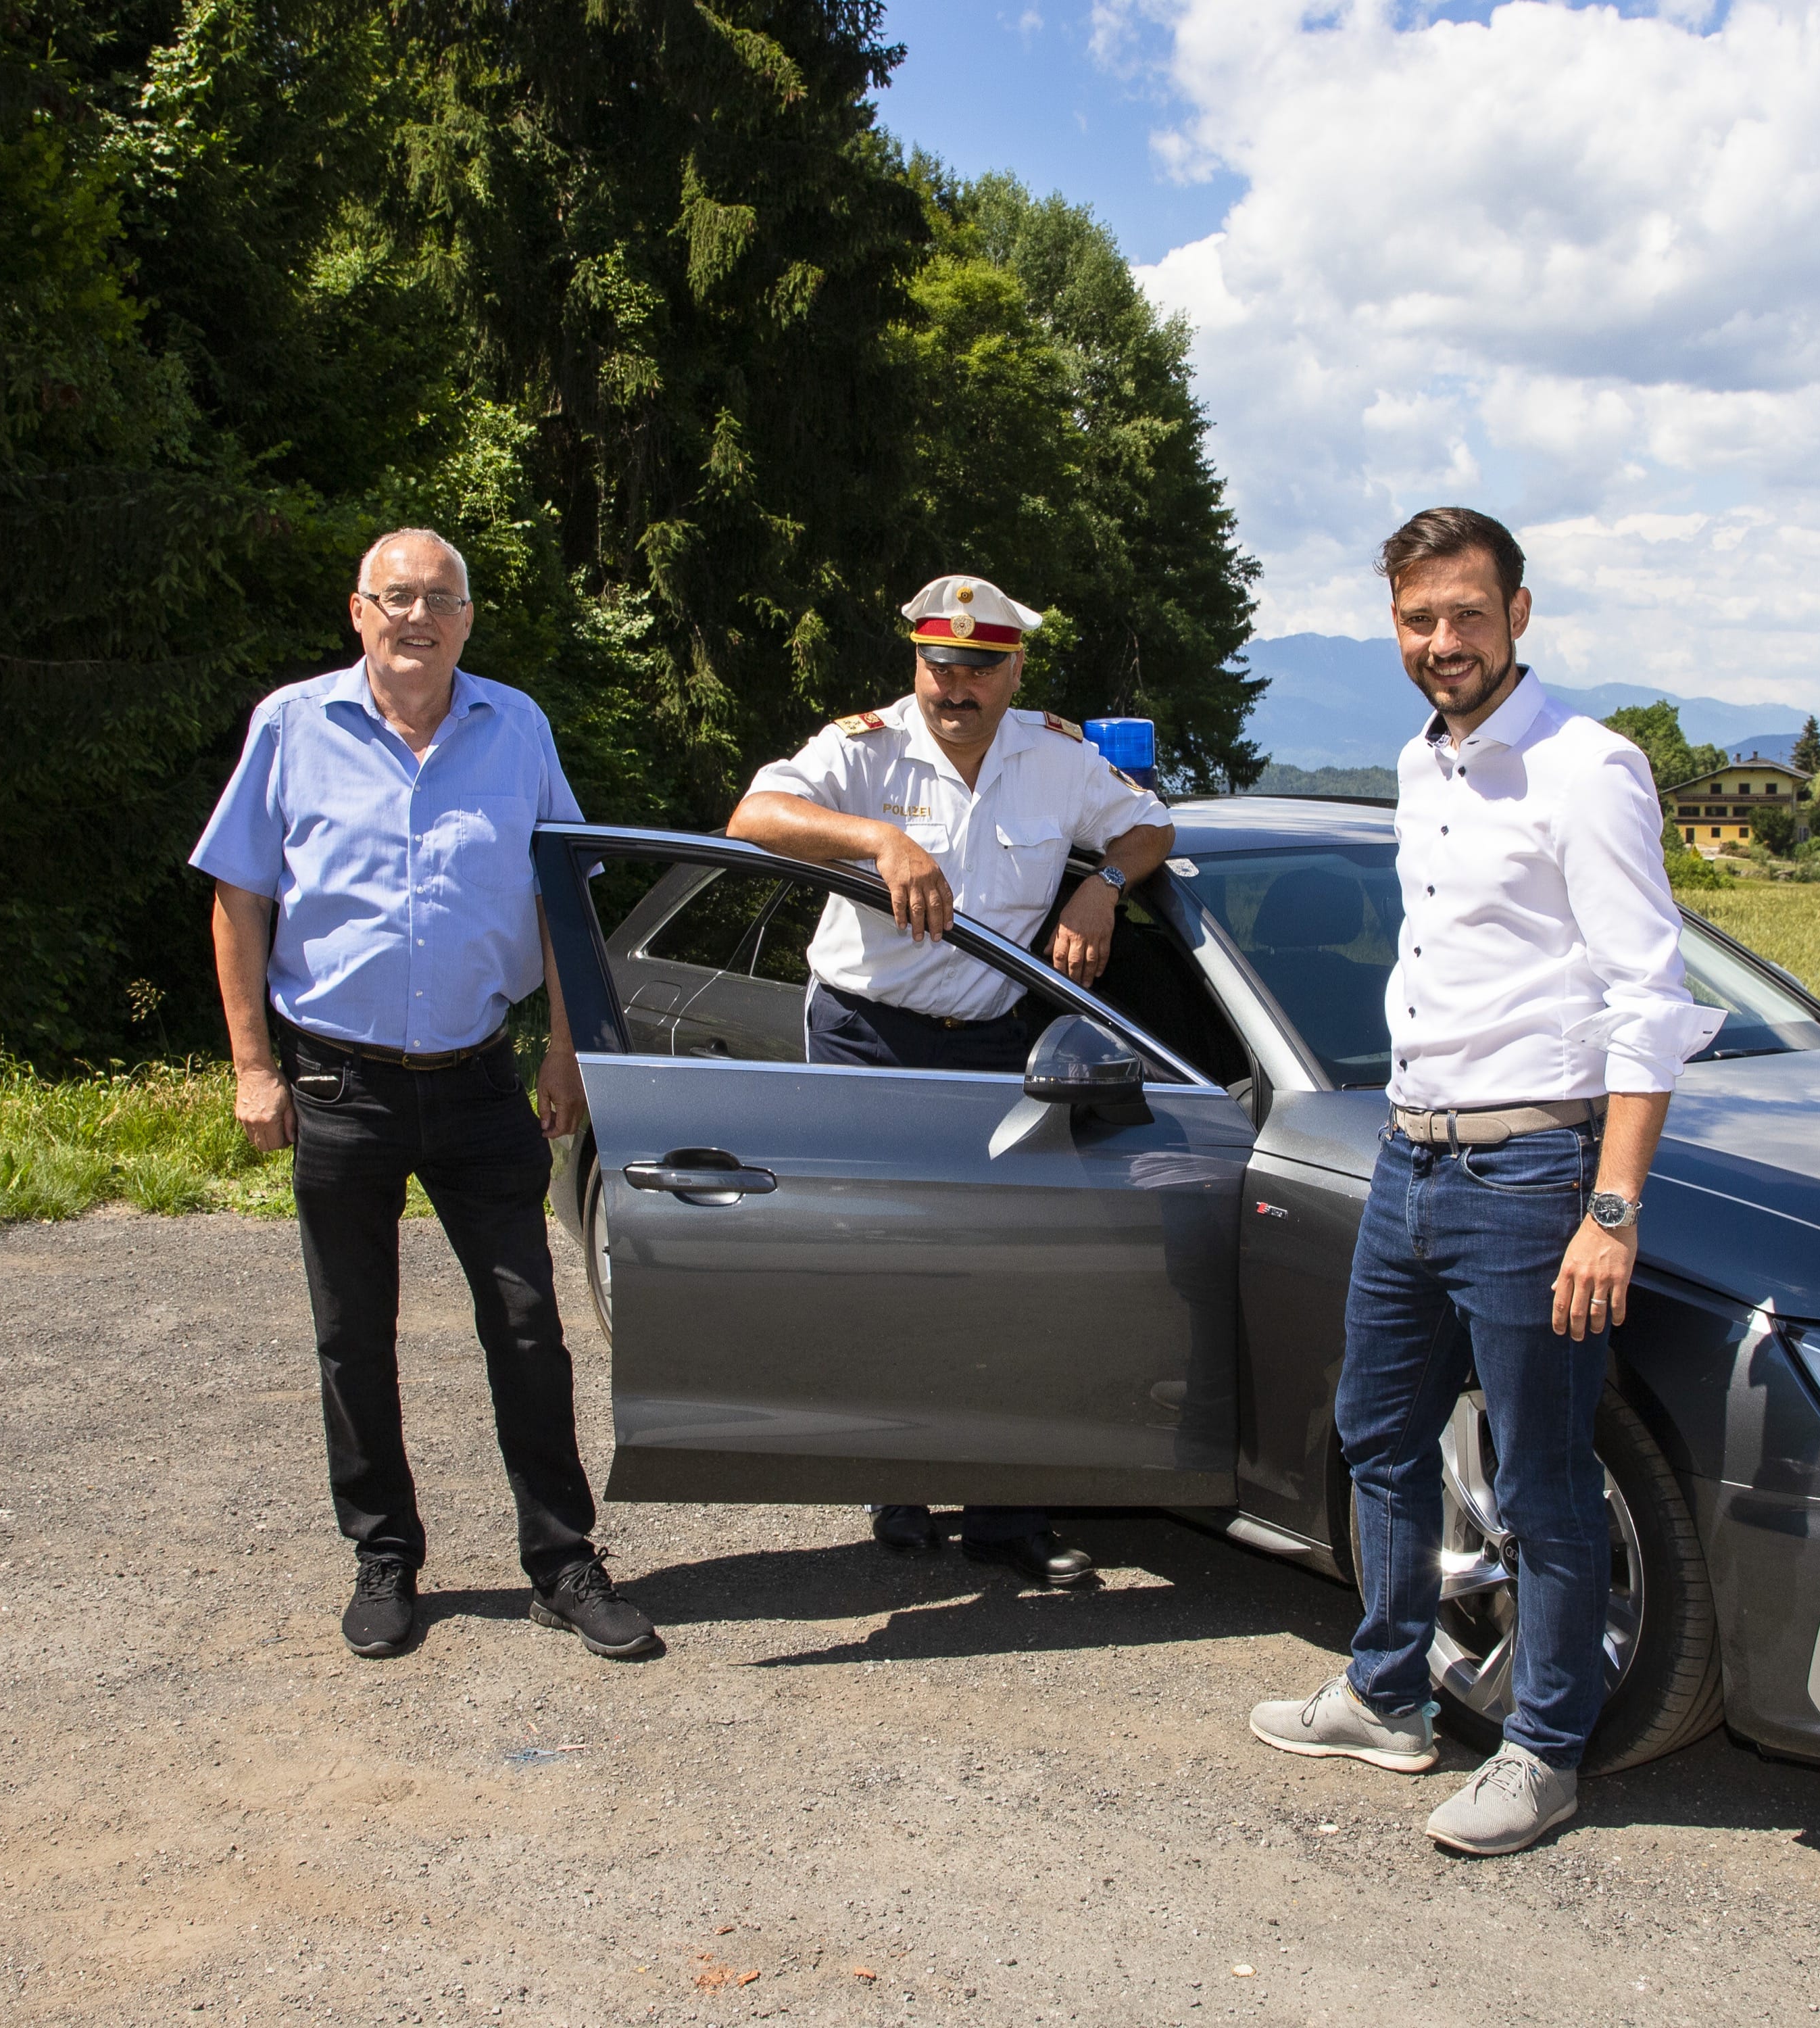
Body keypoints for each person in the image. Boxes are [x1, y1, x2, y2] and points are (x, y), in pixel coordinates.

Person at [1246, 508, 1712, 1855]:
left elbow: (1648, 1001)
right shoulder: (1424, 763)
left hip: (1530, 1175)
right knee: (1382, 1433)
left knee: (1544, 1478)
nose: (1441, 643)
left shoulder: (1588, 768)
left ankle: (1546, 1751)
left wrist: (1608, 1211)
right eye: (1417, 620)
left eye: (1465, 614)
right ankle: (1390, 1697)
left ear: (1518, 611)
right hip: (1411, 1156)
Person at [191, 527, 659, 1664]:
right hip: (336, 1082)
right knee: (354, 1338)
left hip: (478, 1080)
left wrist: (564, 1052)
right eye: (396, 597)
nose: (417, 617)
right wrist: (253, 1066)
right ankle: (384, 1558)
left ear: (466, 619)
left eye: (439, 599)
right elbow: (240, 897)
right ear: (358, 611)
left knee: (530, 1327)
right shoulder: (292, 726)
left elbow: (561, 897)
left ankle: (560, 1563)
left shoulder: (518, 727)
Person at [727, 572, 1174, 1588]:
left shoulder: (1057, 760)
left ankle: (1008, 1519)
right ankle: (897, 1483)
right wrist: (878, 837)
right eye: (937, 664)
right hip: (863, 1036)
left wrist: (1104, 886)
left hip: (986, 1043)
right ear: (915, 664)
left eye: (977, 668)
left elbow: (1152, 828)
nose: (953, 687)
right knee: (880, 1268)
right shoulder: (861, 748)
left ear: (1015, 670)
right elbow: (754, 817)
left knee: (999, 1276)